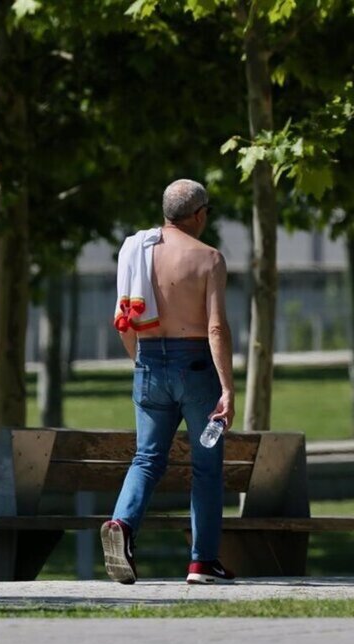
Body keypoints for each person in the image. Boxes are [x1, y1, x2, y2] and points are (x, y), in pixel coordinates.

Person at [101, 179, 236, 585]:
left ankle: (122, 524)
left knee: (147, 458)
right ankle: (202, 562)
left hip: (148, 362)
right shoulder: (209, 259)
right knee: (206, 467)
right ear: (198, 214)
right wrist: (227, 388)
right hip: (195, 366)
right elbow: (216, 328)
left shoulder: (136, 251)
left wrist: (142, 364)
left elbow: (125, 322)